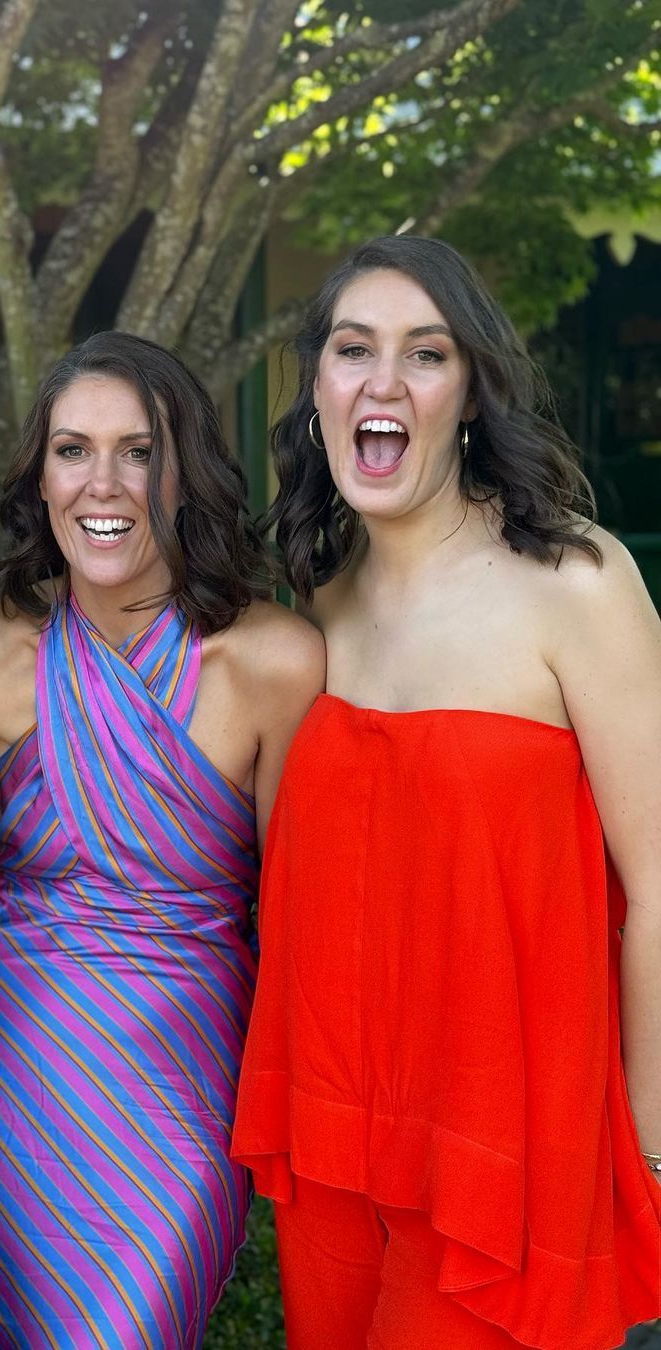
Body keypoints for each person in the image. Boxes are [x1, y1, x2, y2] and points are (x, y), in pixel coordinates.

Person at [231, 235, 661, 1348]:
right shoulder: (316, 596)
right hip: (332, 1134)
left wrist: (651, 1148)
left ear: (470, 395)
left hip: (506, 1148)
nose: (383, 381)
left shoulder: (578, 584)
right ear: (318, 388)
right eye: (353, 349)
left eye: (425, 354)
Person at [0, 331, 324, 1347]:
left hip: (185, 1093)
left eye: (139, 451)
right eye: (73, 450)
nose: (102, 483)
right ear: (41, 478)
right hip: (12, 1088)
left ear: (186, 471)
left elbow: (308, 920)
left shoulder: (278, 662)